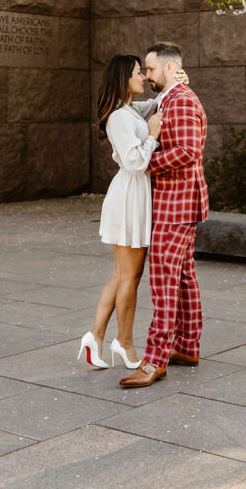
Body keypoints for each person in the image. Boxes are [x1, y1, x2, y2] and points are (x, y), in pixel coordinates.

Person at [119, 41, 208, 389]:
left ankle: (154, 359)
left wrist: (145, 165)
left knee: (163, 282)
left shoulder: (181, 100)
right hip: (182, 203)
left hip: (176, 206)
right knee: (183, 277)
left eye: (151, 69)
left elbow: (187, 150)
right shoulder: (169, 97)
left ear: (170, 68)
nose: (148, 75)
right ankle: (187, 346)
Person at [77, 54, 161, 370]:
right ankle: (124, 344)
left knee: (121, 274)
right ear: (125, 77)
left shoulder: (128, 110)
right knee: (130, 276)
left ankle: (95, 336)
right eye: (140, 73)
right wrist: (152, 136)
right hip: (130, 196)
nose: (145, 77)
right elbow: (136, 162)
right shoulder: (119, 117)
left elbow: (153, 105)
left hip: (132, 196)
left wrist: (173, 83)